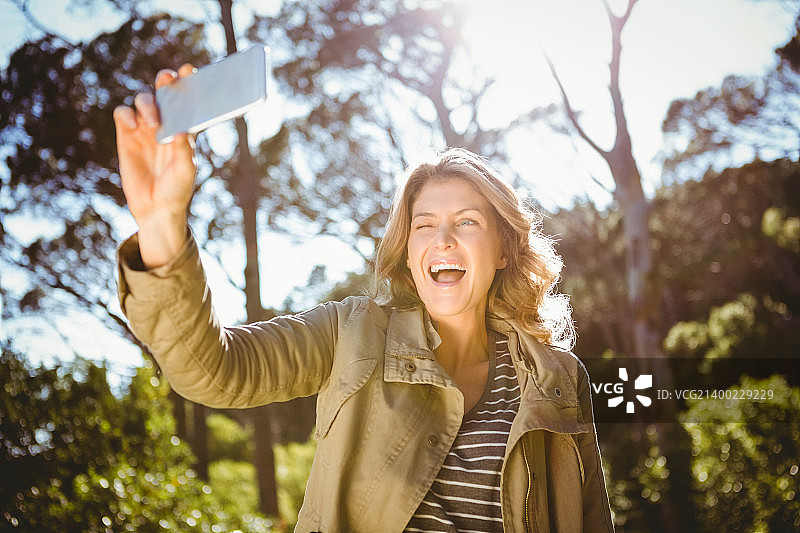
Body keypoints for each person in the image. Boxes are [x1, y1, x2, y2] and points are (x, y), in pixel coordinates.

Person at [113, 65, 614, 533]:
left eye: (467, 222)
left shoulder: (558, 380)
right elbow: (214, 371)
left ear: (504, 250)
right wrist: (162, 226)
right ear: (409, 251)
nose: (442, 239)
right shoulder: (350, 333)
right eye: (424, 225)